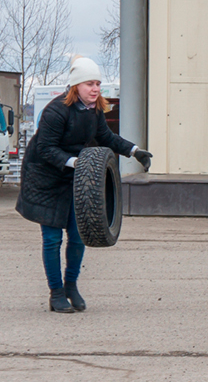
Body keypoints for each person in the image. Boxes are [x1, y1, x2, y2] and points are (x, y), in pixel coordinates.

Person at [15, 56, 153, 313]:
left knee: (78, 237)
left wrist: (134, 151)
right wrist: (73, 162)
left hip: (75, 177)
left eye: (98, 83)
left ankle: (71, 286)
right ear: (75, 85)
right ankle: (55, 293)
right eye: (90, 83)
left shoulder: (95, 110)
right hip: (45, 177)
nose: (95, 88)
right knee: (52, 239)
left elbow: (105, 136)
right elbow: (45, 148)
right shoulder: (56, 112)